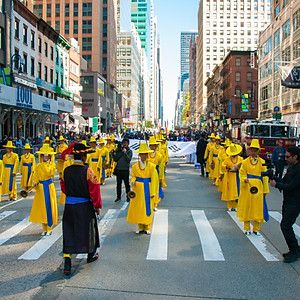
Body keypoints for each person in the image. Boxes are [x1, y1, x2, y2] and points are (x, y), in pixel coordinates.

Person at [60, 142, 102, 275]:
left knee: (69, 231)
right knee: (88, 230)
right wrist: (97, 206)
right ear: (84, 157)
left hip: (70, 206)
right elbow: (95, 190)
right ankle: (90, 255)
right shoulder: (88, 171)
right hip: (84, 206)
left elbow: (64, 188)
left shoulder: (66, 171)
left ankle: (67, 262)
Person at [270, 146, 300, 263]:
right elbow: (285, 181)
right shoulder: (292, 168)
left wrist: (276, 185)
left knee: (286, 226)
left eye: (288, 156)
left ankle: (294, 251)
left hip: (295, 202)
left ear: (295, 157)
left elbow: (291, 187)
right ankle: (295, 249)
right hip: (288, 201)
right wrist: (274, 178)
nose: (285, 158)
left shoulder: (298, 170)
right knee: (286, 225)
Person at [237, 139, 269, 235]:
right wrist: (244, 179)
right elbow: (242, 173)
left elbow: (265, 177)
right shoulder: (245, 162)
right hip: (247, 187)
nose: (253, 152)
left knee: (258, 208)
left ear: (258, 151)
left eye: (255, 150)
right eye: (252, 150)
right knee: (247, 207)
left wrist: (265, 190)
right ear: (249, 151)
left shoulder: (262, 162)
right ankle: (247, 227)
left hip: (258, 187)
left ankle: (256, 229)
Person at [126, 143, 158, 235]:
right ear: (139, 155)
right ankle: (140, 226)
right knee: (139, 208)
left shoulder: (152, 166)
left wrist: (153, 192)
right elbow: (133, 176)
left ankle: (147, 226)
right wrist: (133, 181)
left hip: (148, 188)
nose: (144, 156)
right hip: (138, 190)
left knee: (148, 207)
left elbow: (154, 179)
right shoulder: (135, 166)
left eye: (145, 154)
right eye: (142, 154)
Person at [29, 144, 57, 236]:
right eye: (42, 155)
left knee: (49, 207)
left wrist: (46, 162)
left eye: (46, 155)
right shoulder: (38, 166)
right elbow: (36, 175)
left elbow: (49, 173)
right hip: (41, 188)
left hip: (48, 187)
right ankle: (44, 228)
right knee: (42, 208)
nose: (44, 157)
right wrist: (35, 182)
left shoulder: (52, 165)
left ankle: (49, 228)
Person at [221, 143, 243, 211]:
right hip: (229, 176)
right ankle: (229, 205)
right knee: (229, 191)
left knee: (237, 191)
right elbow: (222, 166)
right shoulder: (227, 159)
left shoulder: (241, 159)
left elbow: (243, 167)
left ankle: (236, 205)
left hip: (237, 176)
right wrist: (226, 167)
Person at [112, 138, 133, 203]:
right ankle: (118, 197)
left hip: (125, 170)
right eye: (123, 143)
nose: (124, 144)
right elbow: (115, 159)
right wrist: (113, 154)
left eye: (126, 143)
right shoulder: (119, 150)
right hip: (119, 170)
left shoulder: (129, 151)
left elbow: (128, 159)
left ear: (128, 144)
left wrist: (125, 153)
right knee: (118, 184)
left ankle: (128, 196)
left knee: (127, 184)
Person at [147, 136, 164, 211]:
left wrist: (160, 177)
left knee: (155, 188)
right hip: (147, 173)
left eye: (153, 145)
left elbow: (161, 167)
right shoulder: (147, 154)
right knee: (148, 188)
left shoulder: (159, 155)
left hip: (156, 172)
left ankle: (154, 204)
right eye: (151, 145)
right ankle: (148, 203)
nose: (152, 147)